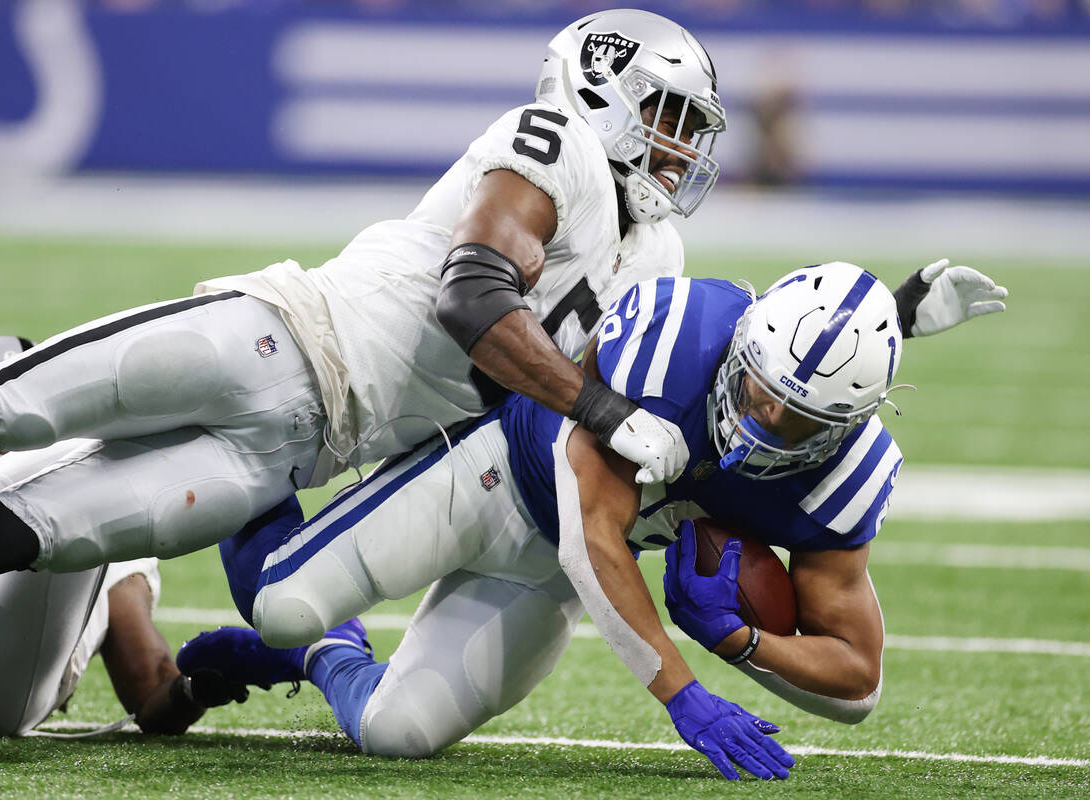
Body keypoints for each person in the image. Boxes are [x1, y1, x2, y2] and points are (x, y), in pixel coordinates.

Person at [0, 8, 735, 610]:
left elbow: (549, 421)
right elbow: (473, 299)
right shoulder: (559, 144)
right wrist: (604, 409)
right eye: (670, 117)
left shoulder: (656, 254)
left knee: (10, 537)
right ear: (603, 87)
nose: (682, 147)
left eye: (693, 129)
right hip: (276, 339)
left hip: (296, 460)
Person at [176, 260, 990, 779]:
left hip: (548, 581)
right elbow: (590, 534)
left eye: (799, 423)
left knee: (396, 733)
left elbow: (857, 684)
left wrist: (743, 641)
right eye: (756, 394)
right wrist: (681, 692)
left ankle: (328, 654)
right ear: (741, 347)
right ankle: (230, 447)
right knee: (281, 598)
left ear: (847, 425)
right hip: (497, 475)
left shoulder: (842, 474)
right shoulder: (677, 338)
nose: (763, 426)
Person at [0, 338, 243, 738]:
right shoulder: (95, 476)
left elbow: (150, 685)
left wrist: (194, 689)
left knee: (75, 495)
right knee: (95, 476)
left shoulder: (82, 480)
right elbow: (147, 682)